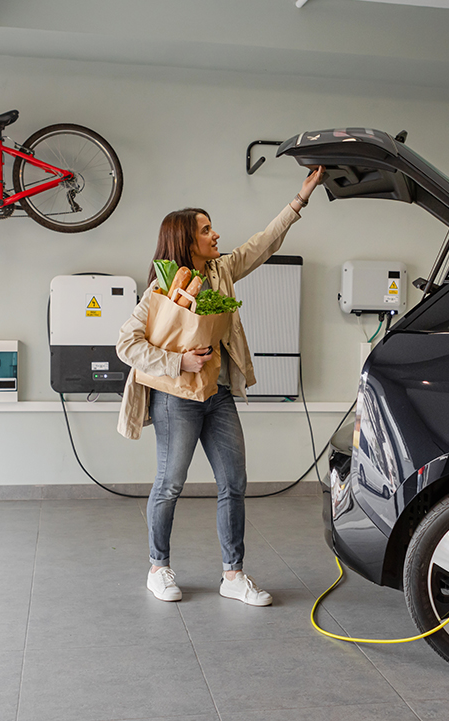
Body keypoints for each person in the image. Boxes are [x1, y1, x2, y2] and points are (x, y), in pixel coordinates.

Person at [116, 166, 325, 606]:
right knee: (169, 484)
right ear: (186, 241)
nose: (216, 236)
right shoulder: (159, 290)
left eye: (212, 229)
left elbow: (262, 244)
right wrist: (178, 360)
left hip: (219, 395)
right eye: (207, 231)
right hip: (177, 400)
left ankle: (233, 575)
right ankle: (158, 568)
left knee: (234, 482)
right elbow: (126, 344)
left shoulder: (221, 272)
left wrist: (299, 200)